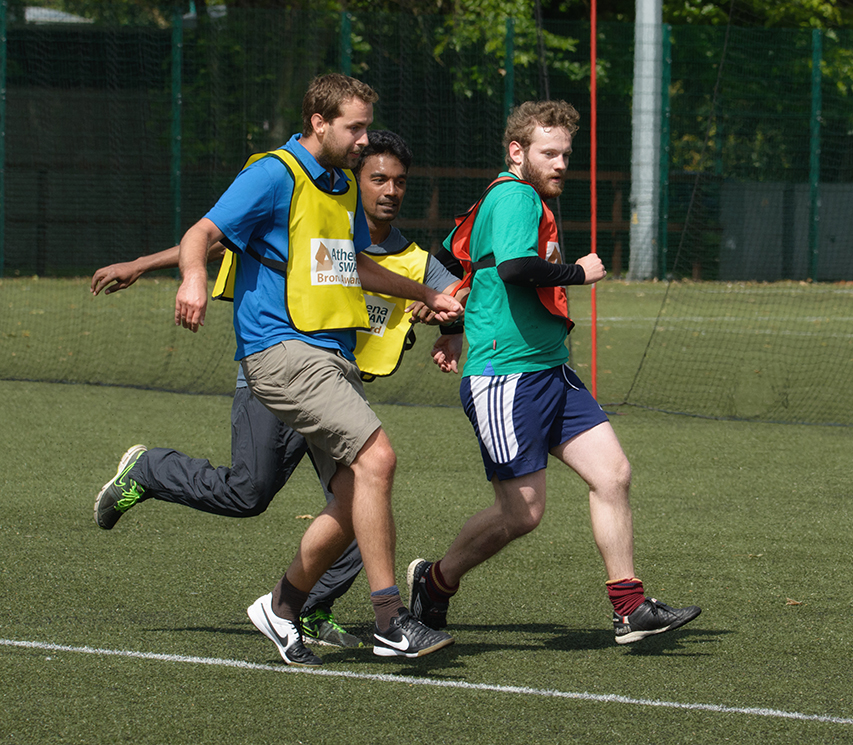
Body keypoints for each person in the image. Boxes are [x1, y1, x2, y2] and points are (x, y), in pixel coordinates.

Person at [91, 130, 463, 652]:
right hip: (280, 371)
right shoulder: (306, 205)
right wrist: (144, 265)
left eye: (400, 182)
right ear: (354, 177)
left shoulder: (412, 258)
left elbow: (457, 293)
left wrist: (451, 325)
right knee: (249, 493)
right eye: (379, 178)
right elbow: (215, 237)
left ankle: (308, 609)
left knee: (360, 494)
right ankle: (150, 471)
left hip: (334, 380)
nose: (390, 191)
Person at [409, 100, 702, 645]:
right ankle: (435, 582)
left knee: (612, 474)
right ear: (517, 152)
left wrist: (454, 323)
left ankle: (629, 608)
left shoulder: (504, 197)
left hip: (551, 371)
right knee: (522, 514)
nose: (561, 163)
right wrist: (578, 272)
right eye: (549, 153)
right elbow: (516, 269)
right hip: (506, 378)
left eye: (566, 154)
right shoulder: (515, 196)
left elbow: (453, 257)